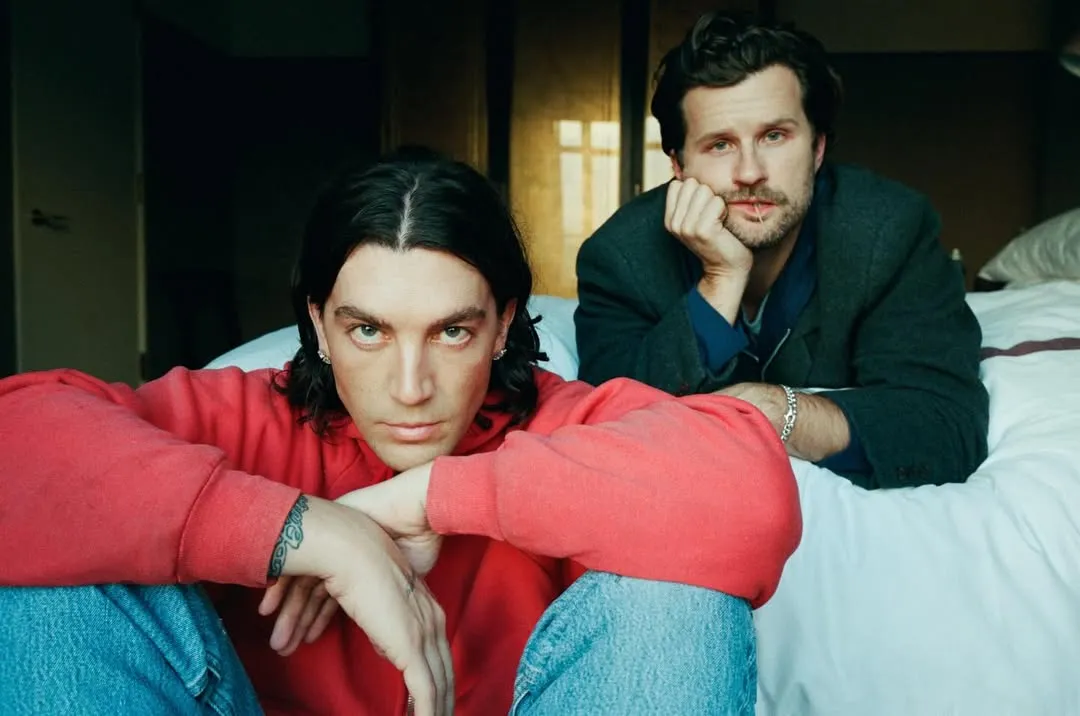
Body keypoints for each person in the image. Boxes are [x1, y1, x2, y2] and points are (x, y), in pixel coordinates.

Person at [0, 150, 801, 716]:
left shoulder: (563, 424)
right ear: (319, 325)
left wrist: (426, 498)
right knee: (59, 569)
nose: (410, 387)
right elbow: (20, 443)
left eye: (451, 332)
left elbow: (751, 491)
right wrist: (306, 532)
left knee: (677, 604)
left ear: (502, 326)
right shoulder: (240, 418)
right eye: (369, 331)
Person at [574, 11, 989, 489]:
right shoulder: (620, 257)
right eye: (720, 145)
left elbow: (945, 424)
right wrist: (720, 279)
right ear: (679, 166)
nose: (750, 172)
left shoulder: (889, 231)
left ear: (818, 148)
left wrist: (779, 413)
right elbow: (613, 433)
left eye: (774, 136)